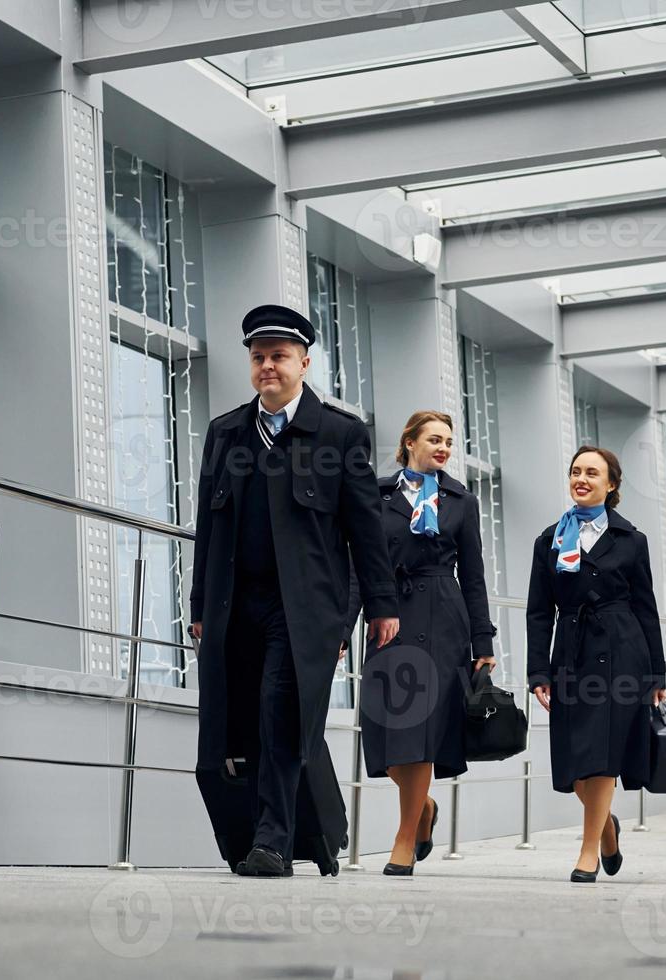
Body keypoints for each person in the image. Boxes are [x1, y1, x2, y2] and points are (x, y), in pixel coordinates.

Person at [189, 304, 399, 877]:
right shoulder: (226, 432)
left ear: (304, 362)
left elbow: (364, 530)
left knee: (279, 712)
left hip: (303, 608)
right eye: (258, 358)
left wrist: (380, 605)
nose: (267, 368)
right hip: (235, 604)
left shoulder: (339, 433)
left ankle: (273, 842)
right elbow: (208, 526)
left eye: (279, 357)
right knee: (231, 726)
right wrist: (198, 605)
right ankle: (269, 836)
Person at [355, 411, 499, 877]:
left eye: (449, 442)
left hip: (443, 618)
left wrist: (484, 640)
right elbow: (359, 565)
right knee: (384, 729)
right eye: (435, 439)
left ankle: (402, 838)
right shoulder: (375, 495)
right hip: (388, 614)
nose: (443, 448)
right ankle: (424, 807)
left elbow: (474, 578)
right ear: (409, 441)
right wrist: (342, 628)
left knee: (420, 733)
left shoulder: (461, 499)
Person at [527, 445, 666, 883]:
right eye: (575, 471)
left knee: (603, 754)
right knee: (574, 763)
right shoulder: (549, 539)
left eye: (592, 472)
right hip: (570, 653)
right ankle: (606, 826)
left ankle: (587, 850)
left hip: (621, 653)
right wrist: (537, 672)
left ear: (611, 485)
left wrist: (657, 673)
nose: (581, 478)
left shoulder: (632, 539)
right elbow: (538, 611)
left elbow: (646, 608)